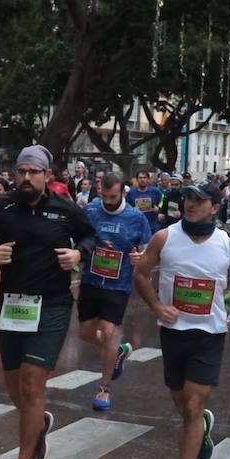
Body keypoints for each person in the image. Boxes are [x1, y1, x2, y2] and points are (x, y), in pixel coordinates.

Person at [0, 146, 95, 459]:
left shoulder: (64, 208)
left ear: (46, 176)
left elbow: (91, 236)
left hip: (52, 305)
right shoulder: (2, 207)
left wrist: (78, 253)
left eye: (33, 172)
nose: (25, 177)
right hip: (13, 304)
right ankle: (37, 425)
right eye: (21, 171)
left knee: (33, 382)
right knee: (14, 386)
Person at [134, 181, 230, 459]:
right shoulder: (165, 237)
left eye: (199, 200)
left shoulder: (228, 245)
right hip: (173, 331)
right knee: (182, 401)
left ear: (214, 207)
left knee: (194, 400)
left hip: (209, 333)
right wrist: (158, 307)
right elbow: (141, 274)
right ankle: (201, 426)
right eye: (188, 198)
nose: (190, 204)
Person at [79, 173, 152, 411]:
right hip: (90, 280)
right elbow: (79, 236)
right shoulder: (90, 211)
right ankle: (118, 352)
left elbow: (148, 249)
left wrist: (139, 257)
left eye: (113, 197)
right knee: (86, 332)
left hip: (118, 285)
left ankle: (104, 388)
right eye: (104, 196)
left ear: (123, 193)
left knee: (109, 331)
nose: (107, 201)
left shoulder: (136, 218)